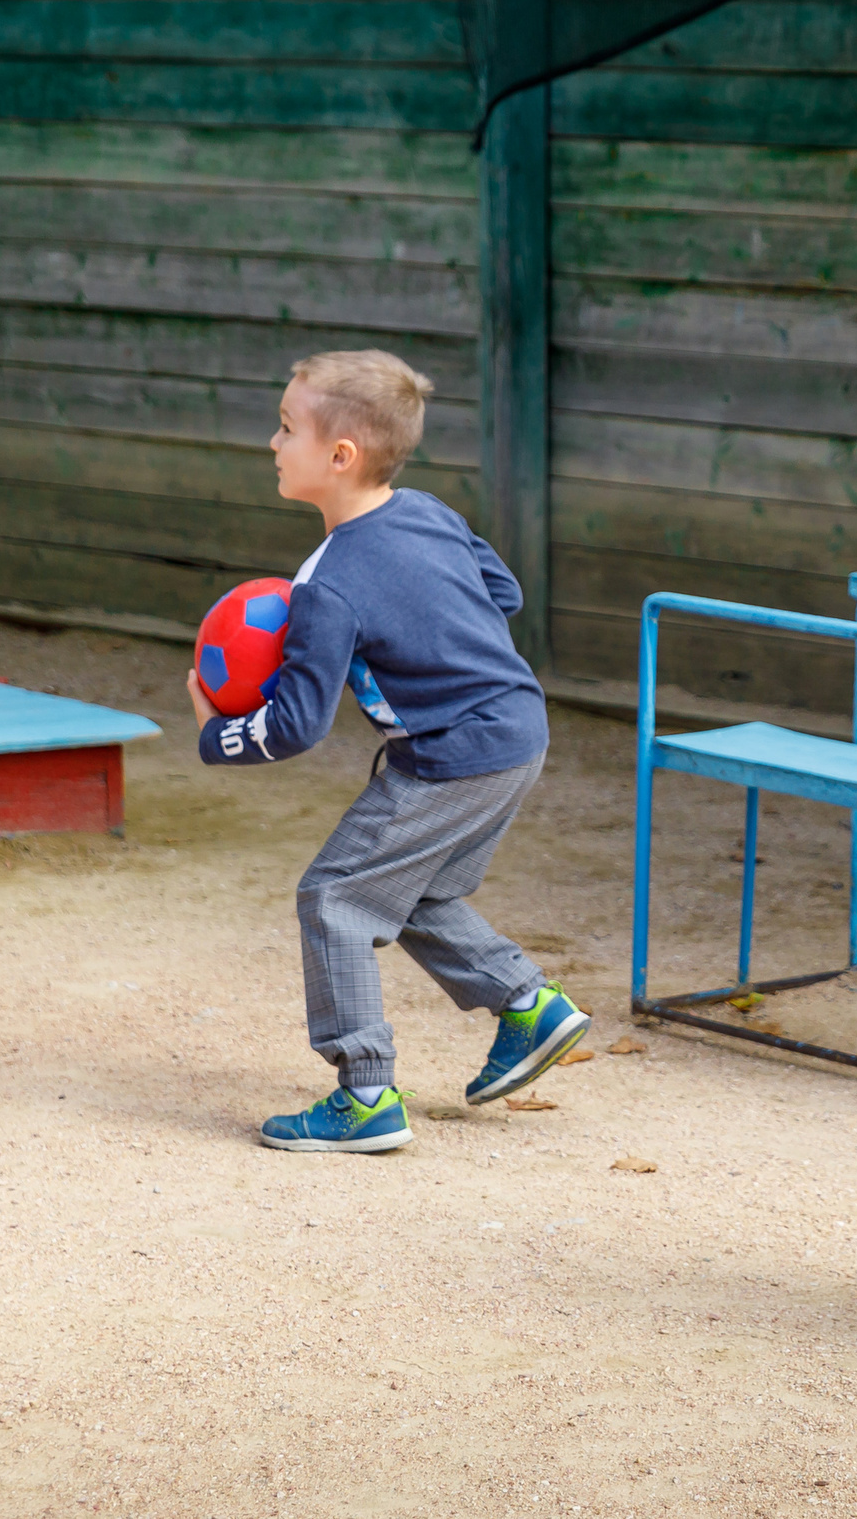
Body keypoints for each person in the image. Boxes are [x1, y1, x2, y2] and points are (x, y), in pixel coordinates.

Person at [185, 350, 586, 1152]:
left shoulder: (326, 586)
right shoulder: (430, 511)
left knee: (335, 896)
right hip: (519, 729)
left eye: (287, 427)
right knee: (406, 891)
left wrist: (215, 731)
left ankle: (366, 1092)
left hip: (452, 753)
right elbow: (499, 592)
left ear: (342, 456)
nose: (272, 441)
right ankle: (528, 1004)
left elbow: (298, 725)